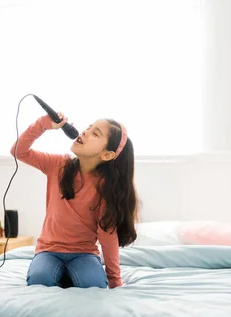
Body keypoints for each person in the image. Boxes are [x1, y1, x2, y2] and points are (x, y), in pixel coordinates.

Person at [12, 112, 138, 289]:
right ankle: (63, 276)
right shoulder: (57, 165)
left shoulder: (104, 188)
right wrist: (42, 124)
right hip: (49, 250)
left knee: (94, 284)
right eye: (88, 127)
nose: (85, 132)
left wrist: (115, 280)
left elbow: (107, 235)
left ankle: (67, 277)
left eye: (95, 133)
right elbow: (18, 151)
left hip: (83, 253)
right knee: (39, 279)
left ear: (107, 155)